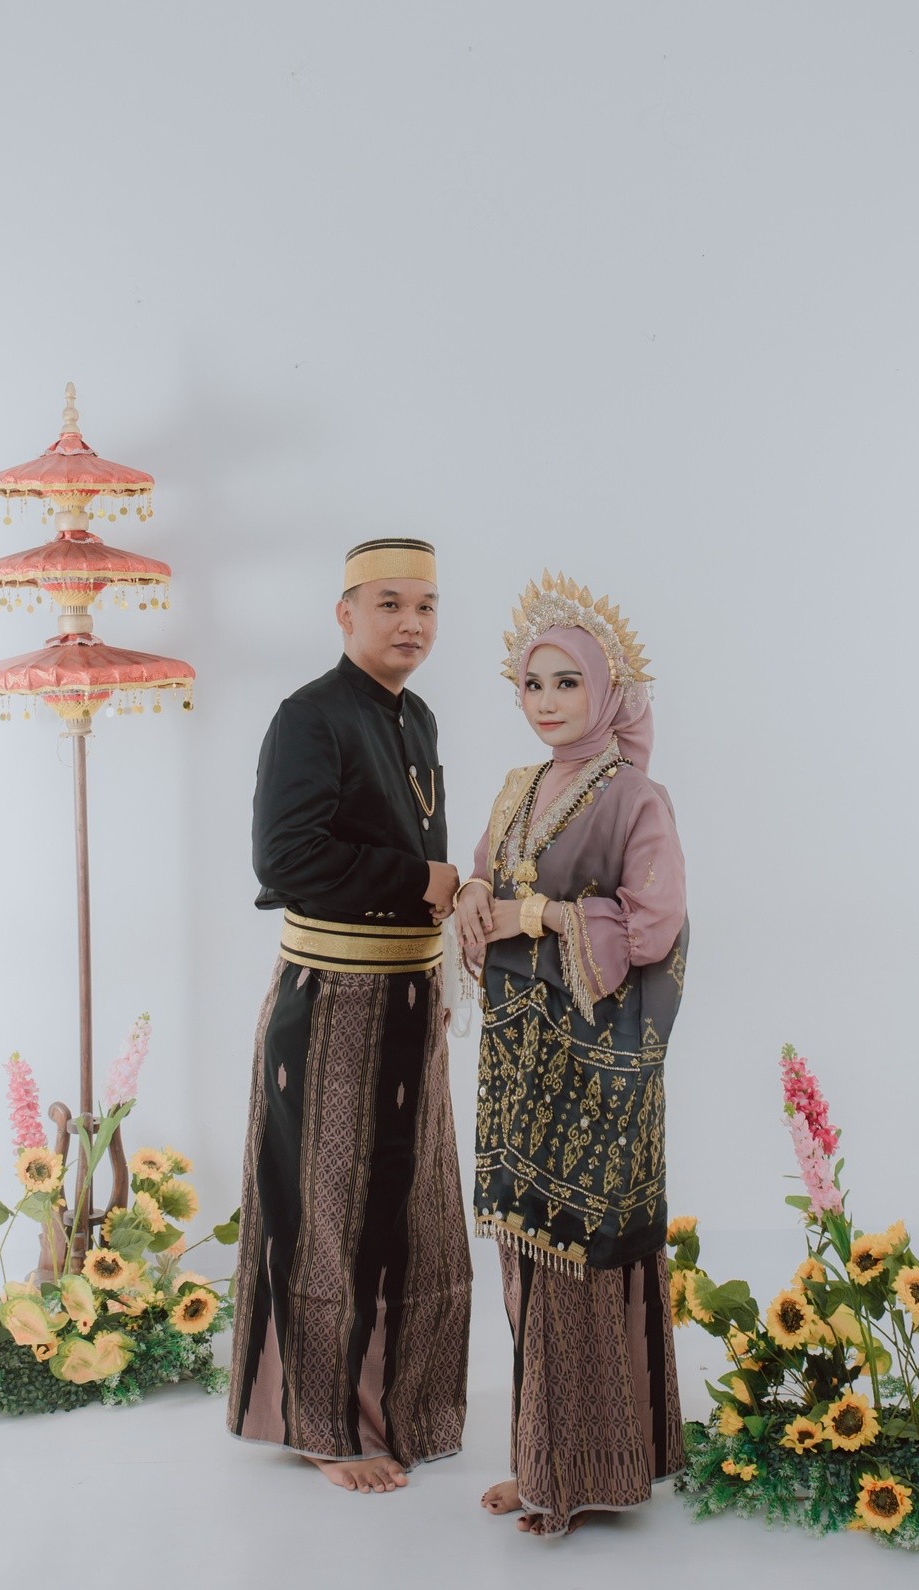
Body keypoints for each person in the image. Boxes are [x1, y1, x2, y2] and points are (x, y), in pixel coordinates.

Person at [228, 538, 472, 1495]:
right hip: (332, 1001)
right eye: (389, 604)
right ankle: (322, 1426)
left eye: (426, 606)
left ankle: (408, 1410)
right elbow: (285, 860)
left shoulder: (418, 716)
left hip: (410, 997)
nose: (412, 623)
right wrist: (420, 880)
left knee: (416, 1212)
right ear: (345, 614)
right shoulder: (310, 715)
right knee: (325, 1213)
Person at [455, 571, 688, 1536]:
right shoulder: (520, 788)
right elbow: (485, 873)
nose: (546, 703)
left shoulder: (635, 797)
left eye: (567, 683)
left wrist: (541, 915)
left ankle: (585, 1469)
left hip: (596, 1078)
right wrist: (476, 896)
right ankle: (544, 1458)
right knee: (527, 1251)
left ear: (607, 689)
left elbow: (653, 925)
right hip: (520, 1063)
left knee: (582, 1253)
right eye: (532, 684)